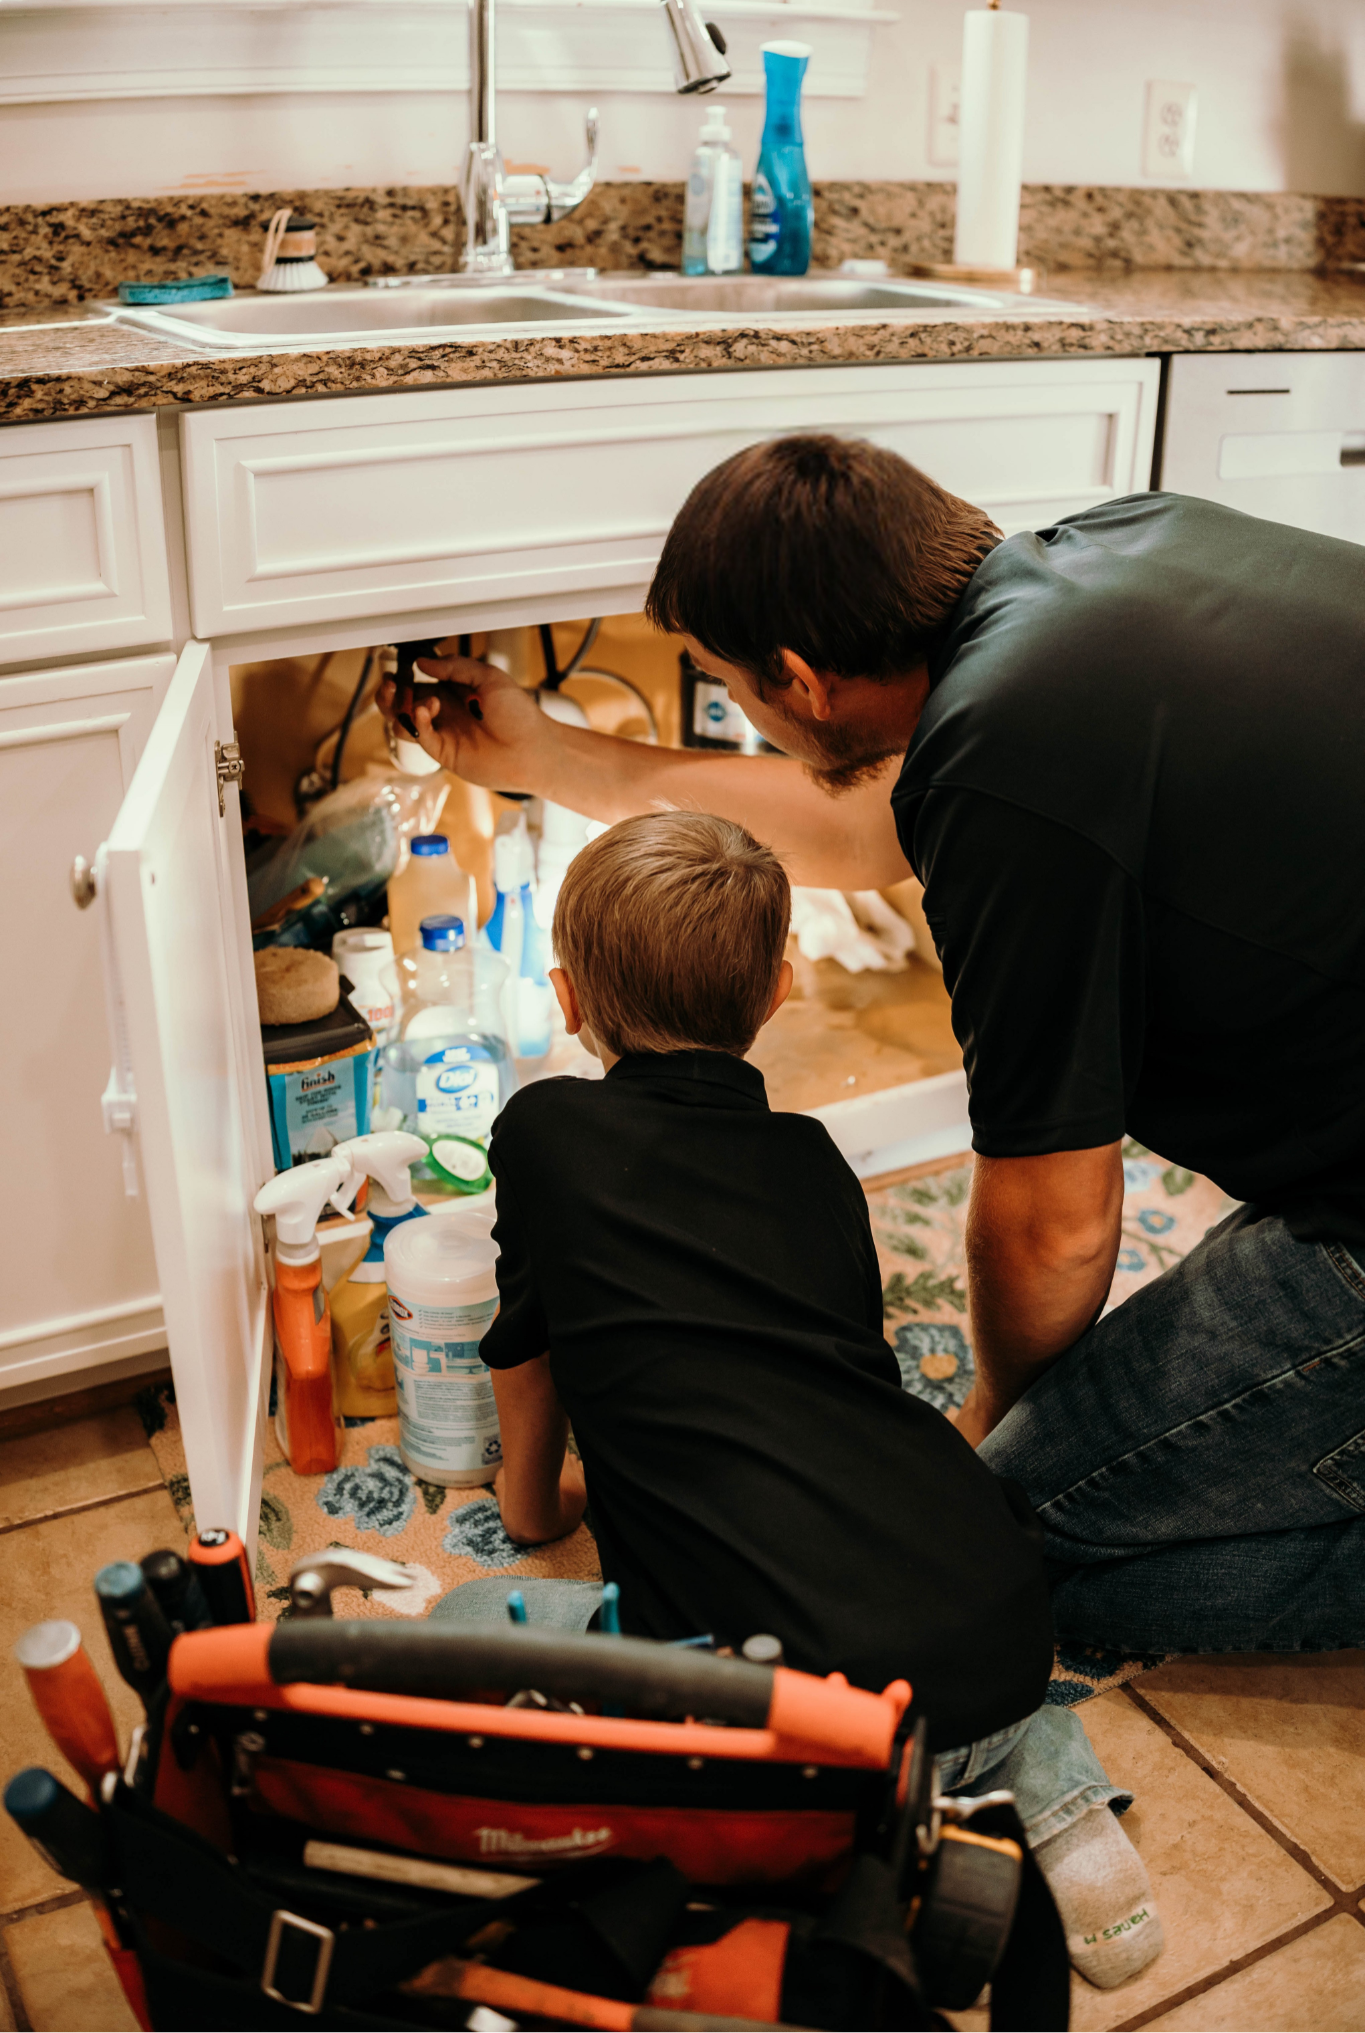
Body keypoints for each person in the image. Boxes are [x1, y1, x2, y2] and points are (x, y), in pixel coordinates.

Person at [378, 435, 1365, 1675]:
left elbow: (1055, 1224)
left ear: (800, 676)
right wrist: (551, 760)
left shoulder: (1010, 760)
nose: (744, 707)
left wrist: (996, 1421)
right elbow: (874, 822)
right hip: (1338, 1146)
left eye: (728, 683)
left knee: (1002, 1548)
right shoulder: (1109, 550)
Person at [450, 809, 1162, 1989]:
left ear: (567, 999)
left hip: (788, 1708)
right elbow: (830, 1364)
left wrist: (535, 1506)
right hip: (988, 1614)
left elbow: (528, 1353)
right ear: (782, 987)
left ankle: (837, 1845)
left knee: (470, 1627)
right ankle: (1049, 1784)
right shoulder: (819, 1162)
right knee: (947, 1668)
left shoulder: (539, 1132)